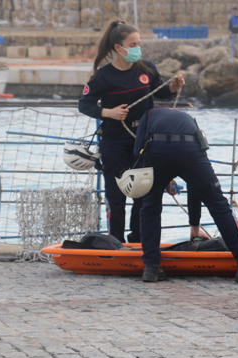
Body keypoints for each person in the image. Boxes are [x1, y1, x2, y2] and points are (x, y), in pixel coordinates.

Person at [133, 108, 238, 283]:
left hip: (157, 149)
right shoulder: (188, 119)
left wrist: (160, 180)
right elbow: (194, 185)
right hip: (190, 148)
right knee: (219, 206)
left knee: (150, 207)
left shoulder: (147, 115)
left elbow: (138, 152)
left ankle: (150, 268)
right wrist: (195, 227)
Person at [78, 19, 185, 244]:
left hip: (144, 141)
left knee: (143, 194)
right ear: (118, 48)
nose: (137, 48)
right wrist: (108, 112)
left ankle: (138, 240)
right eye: (133, 44)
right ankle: (116, 241)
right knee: (116, 197)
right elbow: (84, 104)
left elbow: (161, 91)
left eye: (139, 43)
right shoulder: (102, 76)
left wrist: (174, 86)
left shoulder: (146, 68)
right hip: (114, 142)